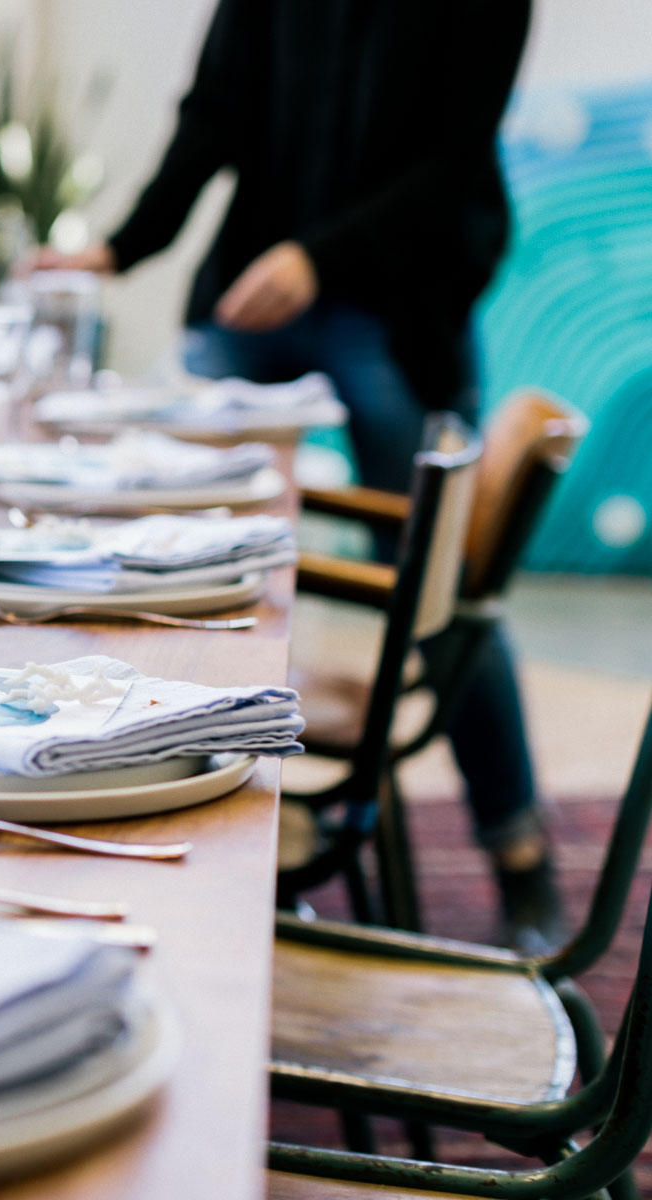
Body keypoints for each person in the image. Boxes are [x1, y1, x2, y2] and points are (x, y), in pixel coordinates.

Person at [42, 1, 559, 950]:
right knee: (142, 524)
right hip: (252, 297)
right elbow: (213, 118)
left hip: (394, 308)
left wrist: (321, 258)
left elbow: (454, 162)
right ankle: (140, 797)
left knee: (441, 581)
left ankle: (521, 854)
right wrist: (122, 249)